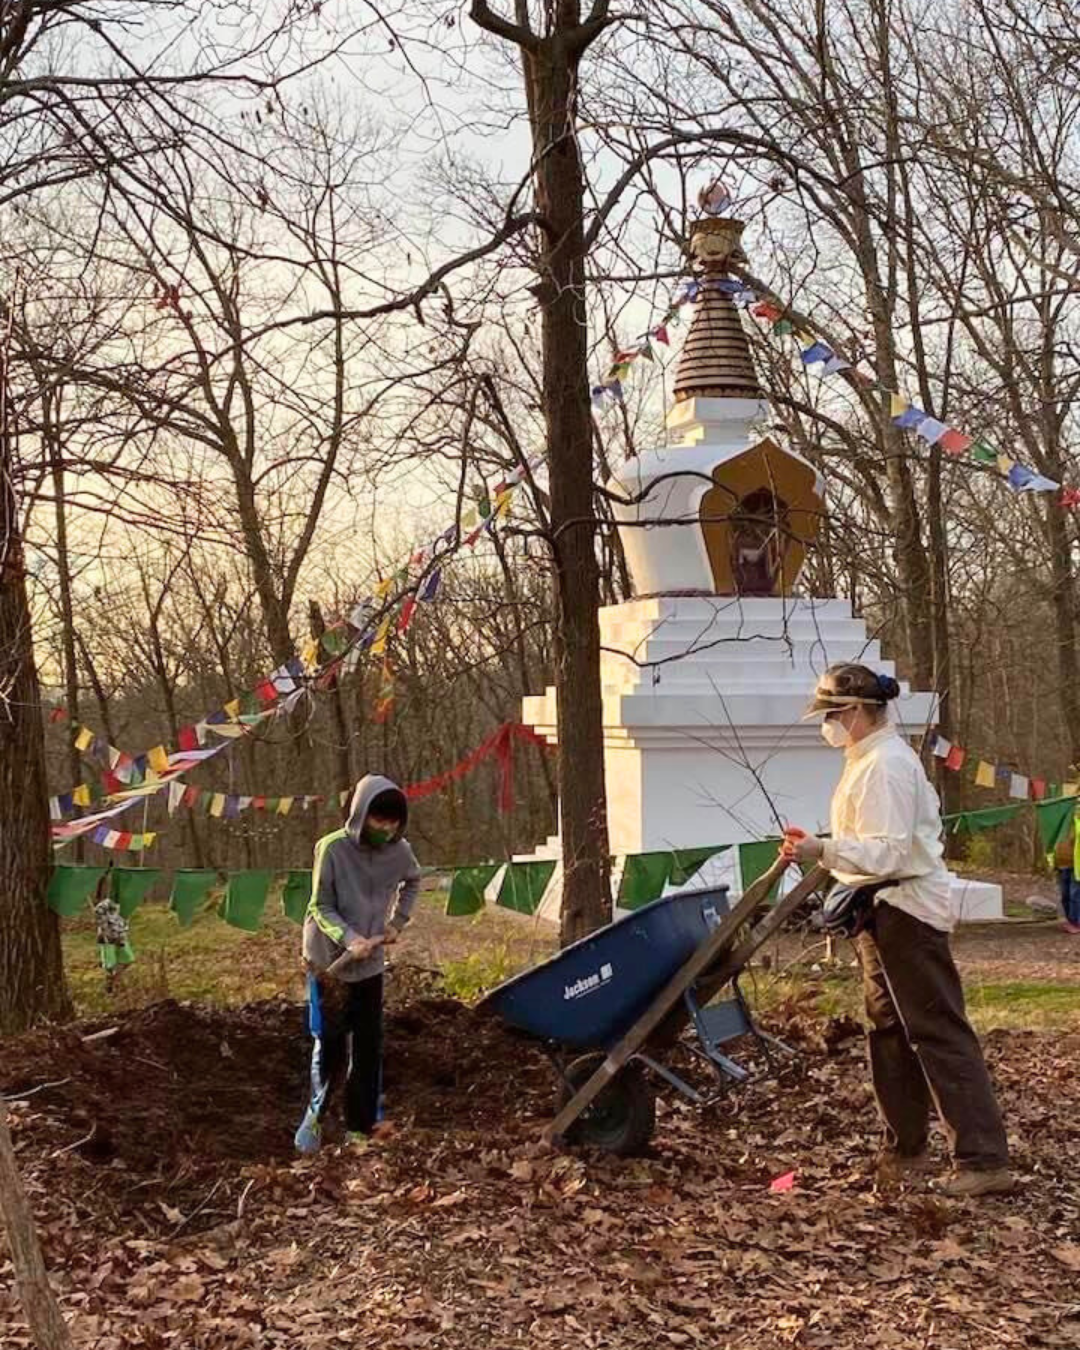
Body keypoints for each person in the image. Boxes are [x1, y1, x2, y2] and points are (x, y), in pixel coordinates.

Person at [781, 663, 1015, 1198]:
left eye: (835, 715)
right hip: (880, 906)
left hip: (906, 907)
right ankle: (904, 1146)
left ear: (860, 711)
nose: (829, 726)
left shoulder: (886, 765)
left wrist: (823, 850)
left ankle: (984, 1158)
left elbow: (885, 851)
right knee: (888, 1033)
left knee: (936, 1030)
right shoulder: (866, 760)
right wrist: (823, 847)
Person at [294, 774, 421, 1154]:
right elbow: (320, 905)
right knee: (330, 1044)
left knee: (368, 1045)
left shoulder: (400, 852)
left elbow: (414, 881)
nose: (386, 828)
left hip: (370, 965)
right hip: (328, 964)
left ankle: (360, 1126)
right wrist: (350, 939)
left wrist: (396, 923)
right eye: (378, 820)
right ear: (361, 814)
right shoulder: (332, 849)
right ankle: (316, 1118)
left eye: (392, 822)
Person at [94, 883, 135, 995]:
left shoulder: (125, 905)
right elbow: (98, 912)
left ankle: (114, 981)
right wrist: (106, 931)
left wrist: (124, 931)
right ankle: (110, 988)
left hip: (120, 937)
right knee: (110, 964)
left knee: (128, 959)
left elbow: (124, 920)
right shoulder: (106, 904)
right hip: (107, 939)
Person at [1050, 812, 1080, 935]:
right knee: (1065, 895)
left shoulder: (1077, 825)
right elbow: (1052, 846)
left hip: (1076, 866)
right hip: (1062, 865)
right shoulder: (1059, 828)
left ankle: (1076, 922)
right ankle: (1070, 920)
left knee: (1075, 895)